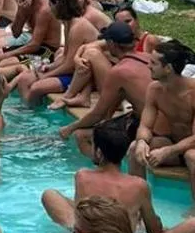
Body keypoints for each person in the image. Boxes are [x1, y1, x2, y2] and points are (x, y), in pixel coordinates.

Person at [42, 119, 195, 233]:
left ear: (99, 153)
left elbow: (80, 211)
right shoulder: (138, 185)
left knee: (49, 195)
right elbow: (154, 230)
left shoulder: (82, 176)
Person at [131, 40, 195, 210]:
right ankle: (137, 204)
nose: (148, 66)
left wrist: (167, 151)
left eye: (153, 63)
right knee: (134, 149)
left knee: (193, 156)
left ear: (168, 68)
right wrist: (142, 142)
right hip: (175, 144)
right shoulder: (154, 89)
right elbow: (145, 126)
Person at [56, 20, 152, 155]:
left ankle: (101, 171)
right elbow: (109, 110)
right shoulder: (149, 58)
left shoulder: (119, 71)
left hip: (151, 128)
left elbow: (98, 114)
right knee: (104, 127)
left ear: (111, 44)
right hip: (155, 120)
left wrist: (70, 128)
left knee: (81, 135)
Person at [14, 0, 98, 104]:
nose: (49, 8)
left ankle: (33, 114)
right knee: (24, 79)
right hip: (73, 71)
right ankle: (27, 110)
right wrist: (50, 66)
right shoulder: (68, 24)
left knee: (36, 88)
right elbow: (65, 56)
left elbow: (70, 65)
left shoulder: (78, 27)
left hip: (85, 77)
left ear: (58, 5)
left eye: (50, 4)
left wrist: (46, 75)